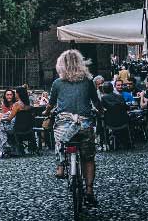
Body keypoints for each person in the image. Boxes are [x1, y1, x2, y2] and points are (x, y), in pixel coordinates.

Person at [45, 49, 102, 208]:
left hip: (64, 124)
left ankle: (61, 166)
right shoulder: (87, 81)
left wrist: (47, 112)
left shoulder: (57, 83)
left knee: (59, 139)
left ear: (61, 65)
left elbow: (51, 103)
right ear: (80, 63)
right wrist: (101, 111)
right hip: (84, 124)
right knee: (88, 158)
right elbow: (95, 102)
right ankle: (89, 190)